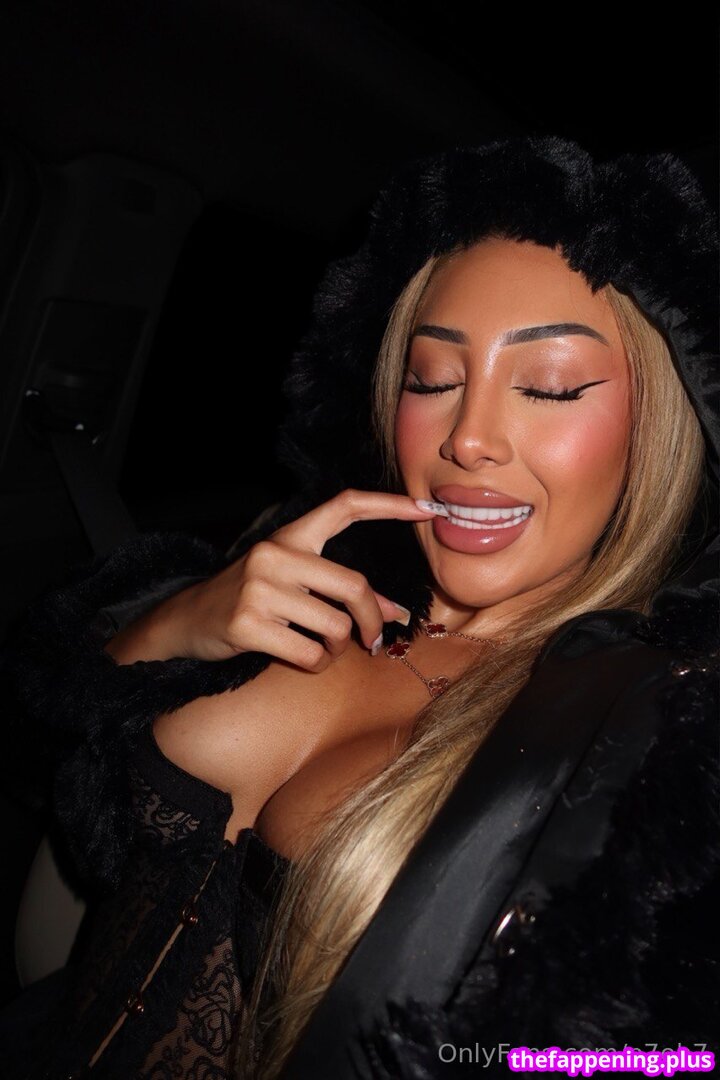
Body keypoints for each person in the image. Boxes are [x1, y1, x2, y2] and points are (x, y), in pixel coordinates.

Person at [0, 134, 717, 1080]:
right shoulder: (306, 561)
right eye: (433, 379)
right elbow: (58, 776)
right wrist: (177, 626)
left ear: (654, 428)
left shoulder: (657, 732)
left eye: (548, 387)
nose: (468, 438)